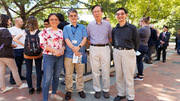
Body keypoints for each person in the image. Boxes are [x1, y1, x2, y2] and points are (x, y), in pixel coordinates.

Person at [112, 8, 140, 101]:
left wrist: (130, 51)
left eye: (122, 14)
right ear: (116, 16)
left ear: (126, 15)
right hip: (116, 52)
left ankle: (130, 97)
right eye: (118, 14)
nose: (120, 16)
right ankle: (121, 93)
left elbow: (137, 42)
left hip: (128, 52)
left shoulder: (132, 28)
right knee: (119, 75)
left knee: (128, 76)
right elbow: (113, 42)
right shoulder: (114, 29)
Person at [87, 5, 112, 99]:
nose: (96, 13)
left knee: (106, 70)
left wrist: (102, 44)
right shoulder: (90, 25)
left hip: (105, 48)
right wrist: (95, 45)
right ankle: (97, 89)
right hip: (93, 49)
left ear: (102, 12)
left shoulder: (108, 24)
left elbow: (110, 37)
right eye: (94, 12)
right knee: (95, 70)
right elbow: (88, 39)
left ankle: (106, 89)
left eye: (98, 11)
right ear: (93, 14)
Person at [13, 16, 43, 95]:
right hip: (38, 54)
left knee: (28, 71)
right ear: (36, 23)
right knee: (38, 70)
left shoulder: (24, 31)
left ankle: (30, 88)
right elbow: (42, 43)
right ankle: (38, 87)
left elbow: (15, 39)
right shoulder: (40, 32)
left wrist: (24, 45)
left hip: (27, 54)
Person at [39, 13, 65, 101]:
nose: (54, 21)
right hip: (48, 57)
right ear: (49, 21)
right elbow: (42, 45)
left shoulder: (61, 31)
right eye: (52, 19)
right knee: (47, 79)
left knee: (57, 76)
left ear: (58, 21)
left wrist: (61, 50)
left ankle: (53, 94)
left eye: (56, 19)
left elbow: (63, 43)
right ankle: (45, 99)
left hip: (60, 57)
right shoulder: (44, 32)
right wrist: (55, 51)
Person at [63, 8, 87, 100]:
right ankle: (68, 90)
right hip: (69, 55)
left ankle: (80, 89)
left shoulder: (82, 27)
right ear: (68, 17)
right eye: (71, 15)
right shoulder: (66, 28)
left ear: (77, 16)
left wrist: (78, 48)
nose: (73, 17)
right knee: (68, 75)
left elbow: (85, 38)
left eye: (75, 15)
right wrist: (74, 49)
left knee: (80, 74)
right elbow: (66, 39)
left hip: (80, 54)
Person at [0, 14, 28, 94]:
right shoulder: (5, 30)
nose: (10, 21)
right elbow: (7, 43)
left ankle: (3, 87)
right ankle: (20, 84)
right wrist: (13, 45)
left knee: (2, 71)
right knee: (15, 69)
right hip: (6, 54)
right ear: (5, 21)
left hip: (0, 54)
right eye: (9, 20)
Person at [8, 18, 26, 85]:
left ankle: (19, 76)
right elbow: (12, 38)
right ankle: (12, 79)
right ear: (17, 22)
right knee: (15, 65)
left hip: (22, 49)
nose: (22, 23)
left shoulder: (21, 30)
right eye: (21, 22)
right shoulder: (12, 29)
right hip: (16, 49)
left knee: (20, 64)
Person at [134, 17, 151, 81]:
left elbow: (133, 35)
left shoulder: (142, 29)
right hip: (144, 46)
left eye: (140, 21)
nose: (139, 23)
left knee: (139, 61)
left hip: (140, 47)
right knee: (140, 61)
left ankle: (140, 75)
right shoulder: (148, 28)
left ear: (143, 21)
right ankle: (140, 73)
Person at [56, 13, 69, 85]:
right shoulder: (68, 24)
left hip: (62, 46)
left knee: (63, 64)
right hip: (70, 46)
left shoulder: (59, 25)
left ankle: (65, 80)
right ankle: (67, 78)